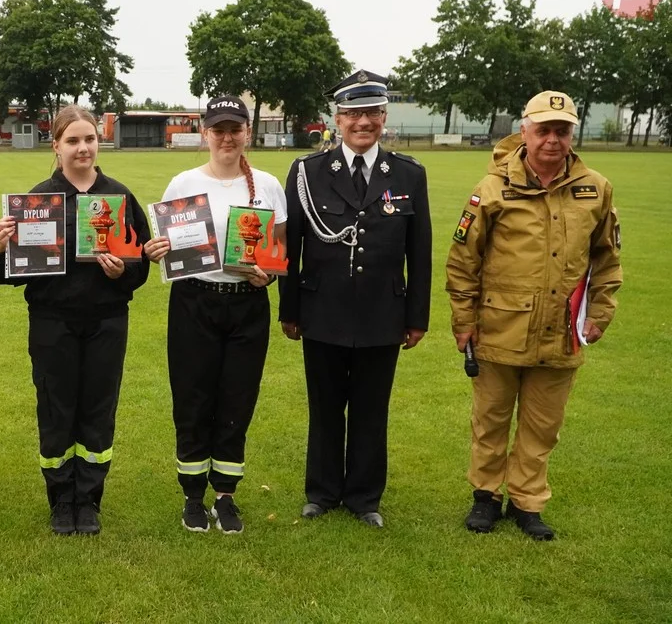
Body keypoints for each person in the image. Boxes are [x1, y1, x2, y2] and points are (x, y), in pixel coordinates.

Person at [446, 90, 622, 541]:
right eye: (543, 129)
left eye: (562, 131)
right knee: (491, 421)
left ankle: (527, 503)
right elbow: (463, 261)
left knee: (543, 426)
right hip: (498, 328)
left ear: (571, 135)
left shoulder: (596, 189)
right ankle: (484, 498)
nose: (552, 140)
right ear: (524, 131)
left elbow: (607, 260)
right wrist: (463, 320)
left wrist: (599, 313)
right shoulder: (491, 189)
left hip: (561, 332)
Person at [0, 105, 151, 536]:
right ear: (56, 145)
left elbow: (141, 263)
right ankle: (61, 498)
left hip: (106, 321)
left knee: (98, 409)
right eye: (73, 140)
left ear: (99, 142)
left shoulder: (119, 197)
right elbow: (8, 275)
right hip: (52, 322)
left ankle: (89, 499)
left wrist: (123, 273)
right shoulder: (37, 200)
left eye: (90, 139)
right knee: (57, 410)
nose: (83, 148)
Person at [279, 70, 432, 529]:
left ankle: (365, 497)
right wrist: (290, 309)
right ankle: (321, 492)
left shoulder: (408, 174)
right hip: (322, 309)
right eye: (352, 114)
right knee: (324, 408)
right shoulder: (307, 172)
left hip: (382, 314)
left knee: (371, 409)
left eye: (371, 113)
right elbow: (292, 248)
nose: (362, 122)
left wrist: (417, 316)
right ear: (337, 119)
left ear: (384, 117)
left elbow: (418, 251)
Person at [143, 96, 288, 534]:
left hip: (246, 304)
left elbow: (278, 248)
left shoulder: (266, 184)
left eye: (235, 129)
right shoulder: (183, 182)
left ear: (248, 133)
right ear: (205, 133)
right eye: (218, 129)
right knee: (193, 397)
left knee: (236, 399)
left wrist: (270, 275)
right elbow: (166, 245)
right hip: (194, 300)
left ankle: (225, 495)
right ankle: (192, 495)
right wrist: (155, 252)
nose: (227, 137)